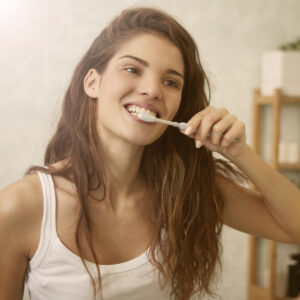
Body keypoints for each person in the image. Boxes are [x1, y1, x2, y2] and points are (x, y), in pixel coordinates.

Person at [0, 6, 299, 300]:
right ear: (93, 82)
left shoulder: (186, 190)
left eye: (171, 82)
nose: (152, 90)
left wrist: (240, 152)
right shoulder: (20, 207)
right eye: (132, 69)